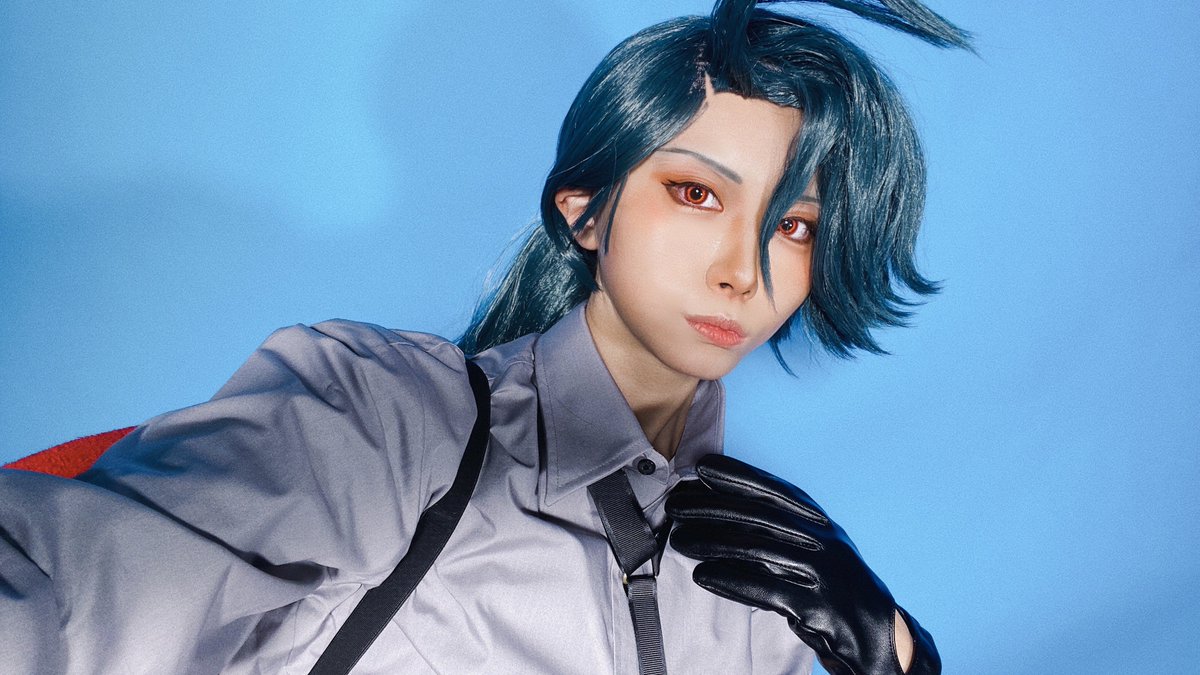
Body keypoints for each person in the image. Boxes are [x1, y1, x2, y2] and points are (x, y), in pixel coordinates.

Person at [0, 0, 969, 673]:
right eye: (694, 193)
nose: (742, 269)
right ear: (585, 211)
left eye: (794, 226)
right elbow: (68, 596)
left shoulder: (761, 572)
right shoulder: (388, 414)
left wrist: (898, 655)